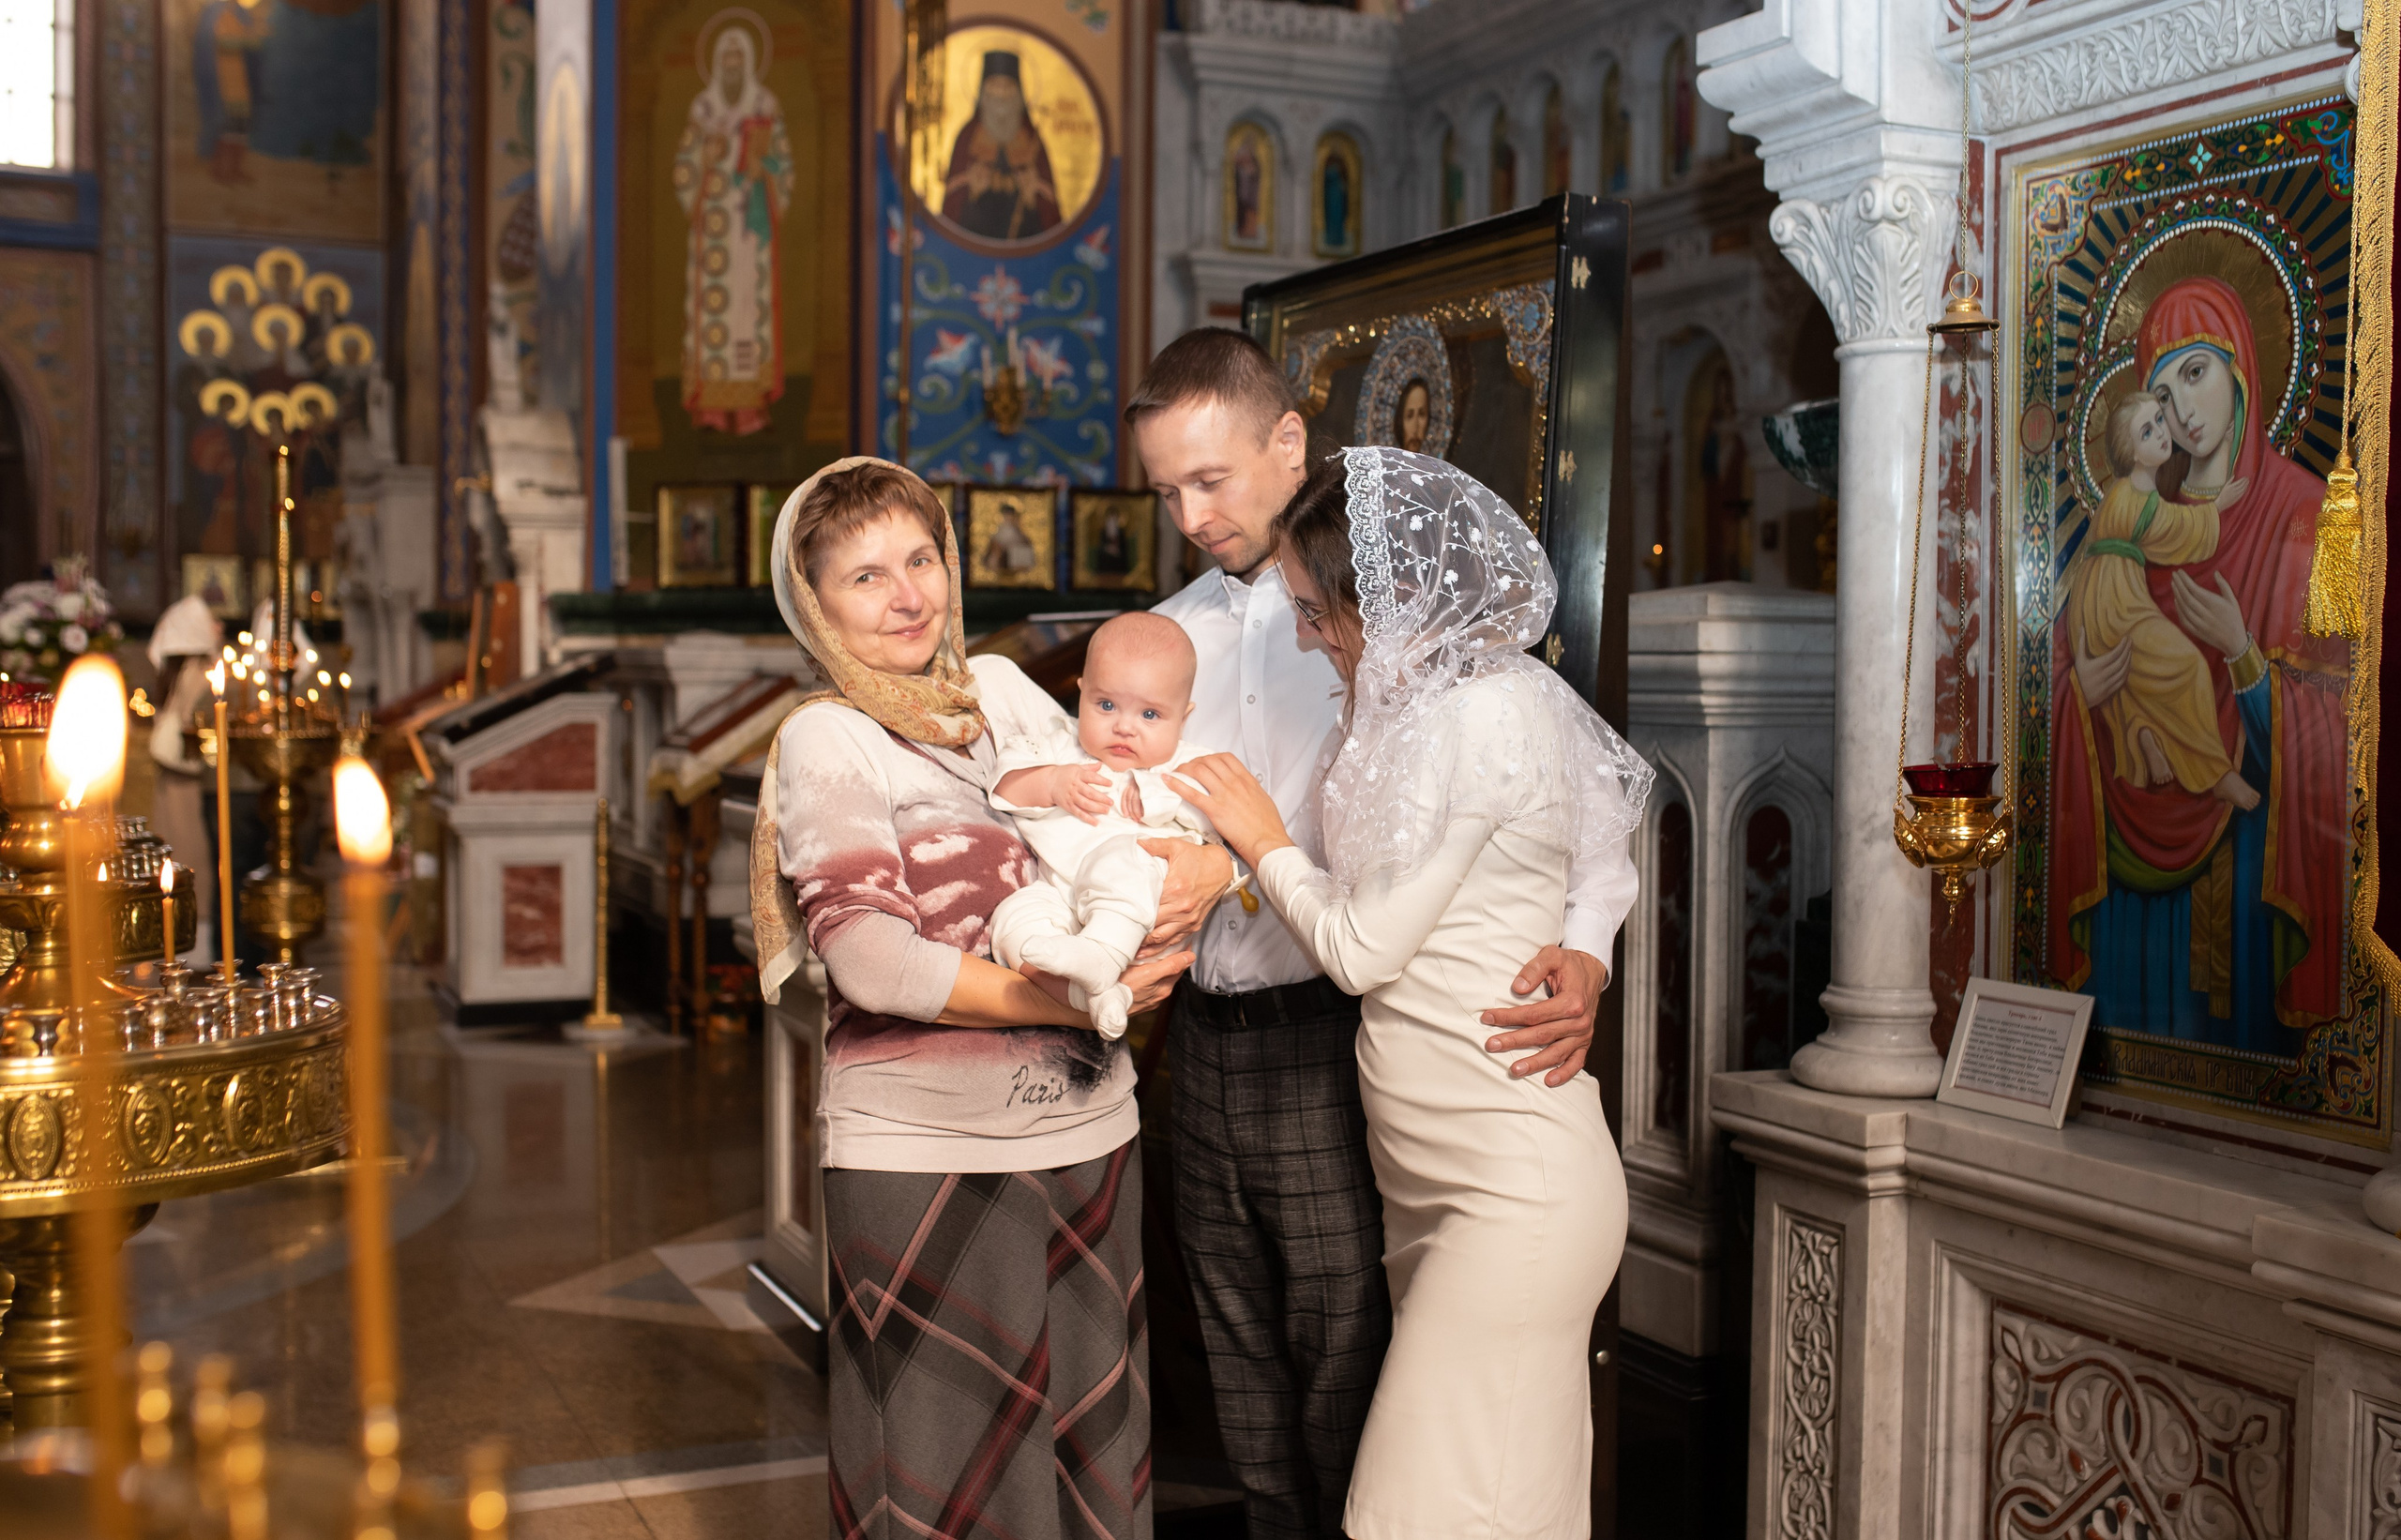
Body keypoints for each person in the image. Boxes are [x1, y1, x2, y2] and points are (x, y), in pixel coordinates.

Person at [1128, 327, 1623, 1539]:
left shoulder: (1420, 656)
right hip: (1213, 1038)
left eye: (1212, 478)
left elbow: (1590, 818)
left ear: (1286, 445)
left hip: (1340, 1044)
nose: (1191, 513)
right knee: (1237, 1365)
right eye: (1166, 490)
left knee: (1366, 1400)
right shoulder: (1163, 638)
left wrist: (1591, 945)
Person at [749, 457, 1203, 1540]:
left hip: (1088, 1132)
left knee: (1091, 1462)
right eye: (864, 577)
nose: (908, 596)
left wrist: (1200, 874)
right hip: (924, 1152)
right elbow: (870, 959)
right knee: (944, 1483)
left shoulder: (999, 690)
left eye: (920, 559)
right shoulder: (829, 737)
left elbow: (1111, 827)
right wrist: (1070, 1002)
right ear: (815, 604)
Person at [2048, 275, 2348, 1047]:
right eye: (2161, 391)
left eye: (2195, 373)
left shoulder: (2309, 514)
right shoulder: (2145, 520)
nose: (2182, 412)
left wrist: (2242, 654)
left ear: (2241, 367)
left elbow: (2343, 721)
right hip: (2132, 885)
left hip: (2245, 872)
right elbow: (2054, 676)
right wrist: (2080, 690)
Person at [989, 611, 1221, 1040]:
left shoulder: (1184, 767)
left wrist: (1155, 792)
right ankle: (1092, 995)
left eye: (1150, 714)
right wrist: (1052, 782)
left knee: (1125, 857)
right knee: (1012, 918)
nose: (1124, 726)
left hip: (1133, 919)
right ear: (1081, 695)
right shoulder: (1059, 746)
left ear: (1183, 718)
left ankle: (1101, 954)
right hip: (1060, 897)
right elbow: (1004, 788)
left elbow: (1216, 824)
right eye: (1107, 705)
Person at [2067, 392, 2254, 806]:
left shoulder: (2125, 493)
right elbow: (2173, 529)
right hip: (2114, 602)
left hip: (2103, 597)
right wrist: (2216, 507)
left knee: (2137, 676)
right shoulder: (2136, 497)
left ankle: (2142, 733)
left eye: (2159, 421)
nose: (2161, 434)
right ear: (2131, 453)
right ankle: (2216, 774)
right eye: (2146, 432)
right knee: (2187, 667)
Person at [673, 19, 793, 435]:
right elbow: (684, 169)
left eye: (738, 58)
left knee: (747, 312)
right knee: (713, 314)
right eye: (724, 58)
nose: (731, 66)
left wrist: (765, 169)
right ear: (714, 63)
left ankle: (748, 410)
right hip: (712, 232)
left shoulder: (765, 106)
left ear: (750, 63)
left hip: (749, 229)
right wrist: (704, 158)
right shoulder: (702, 110)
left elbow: (784, 165)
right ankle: (709, 409)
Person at [148, 596, 225, 964]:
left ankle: (195, 945)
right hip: (175, 787)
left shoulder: (199, 673)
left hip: (191, 787)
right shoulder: (187, 672)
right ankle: (179, 941)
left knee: (193, 863)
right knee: (177, 861)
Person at [942, 51, 1062, 242]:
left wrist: (1031, 200)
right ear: (983, 90)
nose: (1001, 95)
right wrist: (973, 194)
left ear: (1019, 92)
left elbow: (1051, 216)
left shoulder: (1031, 138)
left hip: (1025, 240)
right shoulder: (968, 136)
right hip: (974, 239)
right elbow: (951, 207)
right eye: (995, 86)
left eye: (1007, 87)